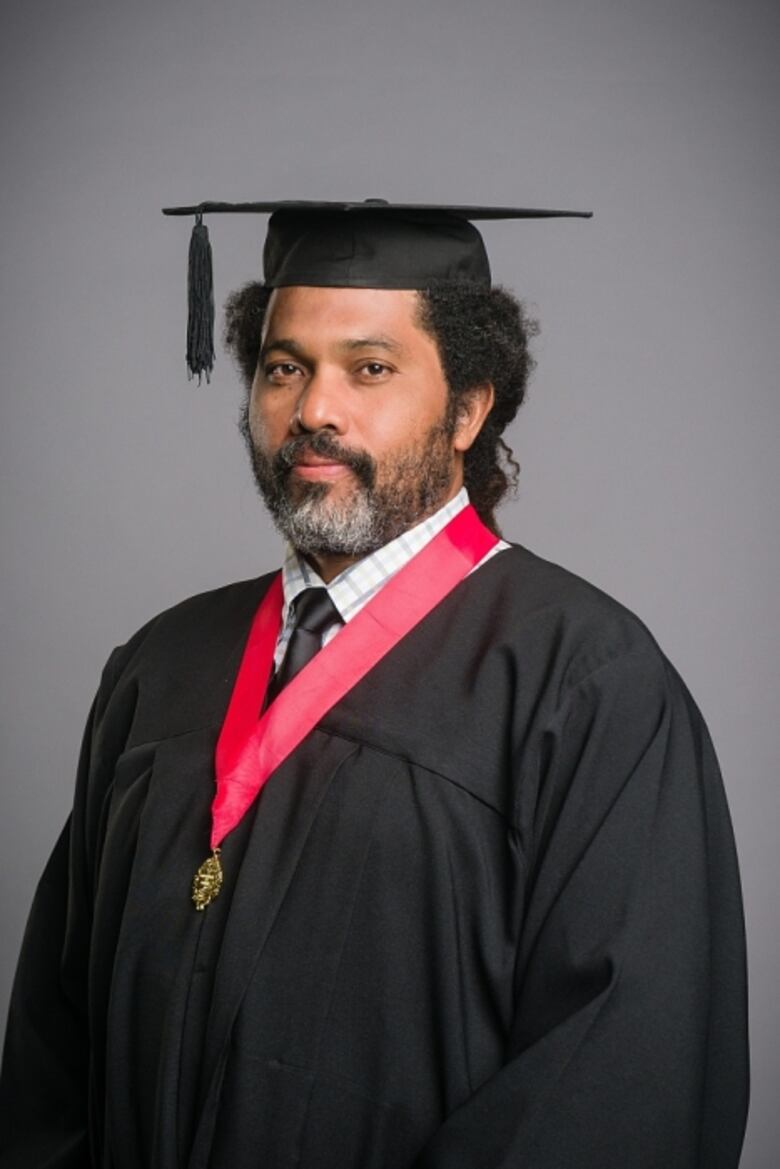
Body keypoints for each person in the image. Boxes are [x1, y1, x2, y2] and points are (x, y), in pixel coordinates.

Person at [0, 201, 749, 1168]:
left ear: (468, 408)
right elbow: (52, 1052)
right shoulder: (161, 665)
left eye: (370, 368)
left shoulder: (585, 683)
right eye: (285, 367)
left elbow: (619, 1080)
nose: (315, 408)